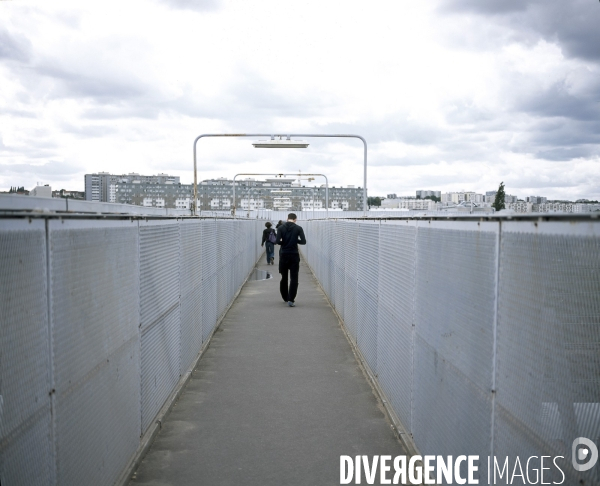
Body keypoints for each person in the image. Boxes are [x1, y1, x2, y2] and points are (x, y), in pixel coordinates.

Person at [276, 213, 306, 307]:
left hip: (283, 254)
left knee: (284, 277)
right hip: (294, 255)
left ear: (287, 218)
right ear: (295, 219)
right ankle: (291, 299)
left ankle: (285, 297)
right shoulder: (298, 228)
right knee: (294, 278)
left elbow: (277, 241)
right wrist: (295, 240)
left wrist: (284, 242)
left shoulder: (280, 228)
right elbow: (303, 242)